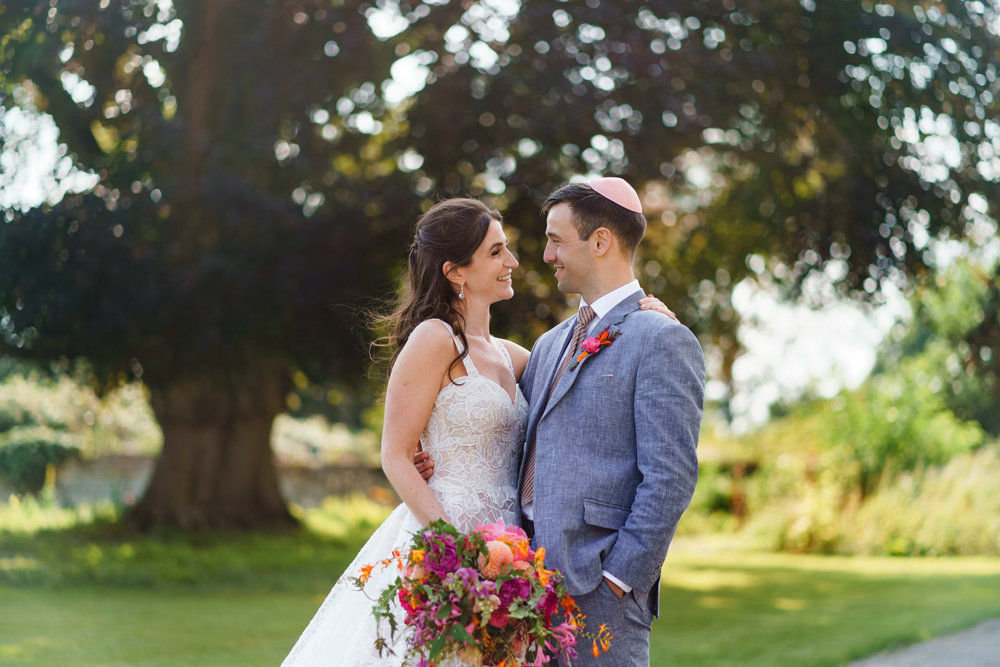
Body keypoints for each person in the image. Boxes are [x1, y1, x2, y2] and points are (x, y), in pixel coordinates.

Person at [281, 197, 673, 666]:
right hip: (450, 539)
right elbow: (396, 456)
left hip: (515, 552)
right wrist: (457, 553)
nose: (513, 262)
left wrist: (648, 323)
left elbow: (589, 377)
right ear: (456, 272)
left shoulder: (520, 356)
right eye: (495, 252)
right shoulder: (434, 338)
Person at [518, 177, 705, 666]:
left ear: (600, 241)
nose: (546, 254)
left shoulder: (661, 338)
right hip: (523, 589)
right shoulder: (547, 345)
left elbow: (672, 474)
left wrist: (621, 578)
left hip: (601, 592)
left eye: (556, 239)